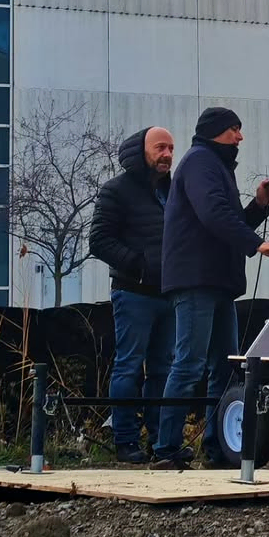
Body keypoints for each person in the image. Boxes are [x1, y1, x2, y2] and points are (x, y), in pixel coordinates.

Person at [151, 107, 269, 468]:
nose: (240, 137)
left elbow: (225, 220)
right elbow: (213, 214)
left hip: (216, 282)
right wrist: (255, 243)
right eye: (234, 129)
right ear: (215, 132)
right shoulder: (200, 163)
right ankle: (166, 449)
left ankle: (216, 446)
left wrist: (258, 206)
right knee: (189, 364)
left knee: (224, 369)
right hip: (197, 280)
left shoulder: (215, 166)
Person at [88, 126, 176, 463]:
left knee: (162, 371)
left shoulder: (174, 192)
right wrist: (139, 265)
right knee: (128, 367)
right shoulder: (116, 190)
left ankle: (159, 442)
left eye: (170, 148)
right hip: (133, 293)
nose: (167, 154)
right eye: (160, 148)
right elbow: (99, 240)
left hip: (169, 294)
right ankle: (125, 441)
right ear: (141, 151)